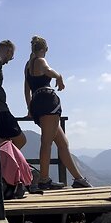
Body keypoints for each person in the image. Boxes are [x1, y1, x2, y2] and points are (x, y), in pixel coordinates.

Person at [24, 35, 92, 189]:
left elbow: (26, 89)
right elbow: (48, 71)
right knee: (47, 142)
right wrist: (59, 77)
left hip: (37, 103)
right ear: (44, 49)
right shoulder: (40, 61)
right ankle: (44, 180)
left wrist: (30, 109)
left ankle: (79, 179)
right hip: (48, 102)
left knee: (62, 143)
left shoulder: (27, 66)